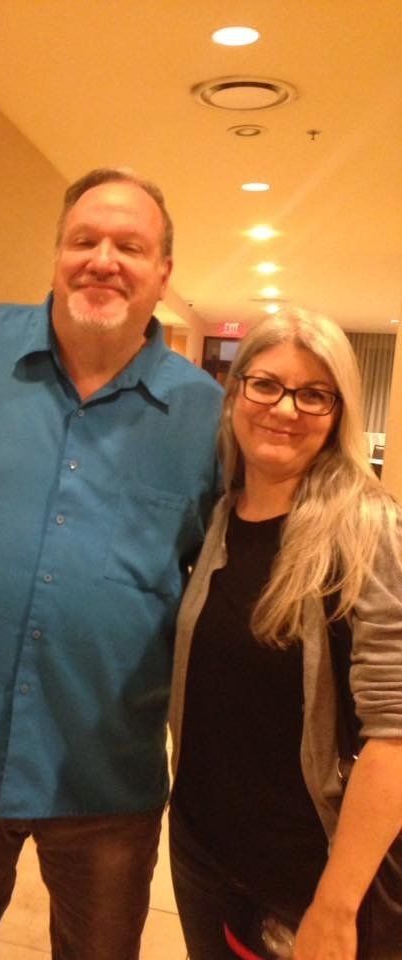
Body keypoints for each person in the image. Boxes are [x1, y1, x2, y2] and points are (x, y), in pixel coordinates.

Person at [0, 167, 222, 959]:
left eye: (129, 246)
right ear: (57, 252)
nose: (103, 260)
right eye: (84, 240)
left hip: (107, 775)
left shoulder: (207, 417)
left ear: (163, 272)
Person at [167, 310, 402, 959]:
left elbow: (394, 734)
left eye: (314, 394)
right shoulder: (222, 514)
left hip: (305, 878)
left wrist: (336, 904)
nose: (285, 408)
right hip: (202, 852)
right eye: (266, 384)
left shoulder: (368, 530)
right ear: (236, 392)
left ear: (338, 412)